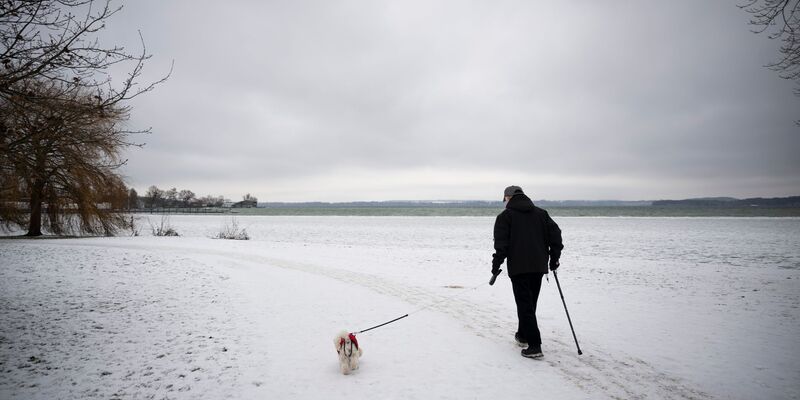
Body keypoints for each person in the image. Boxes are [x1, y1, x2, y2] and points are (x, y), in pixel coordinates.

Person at [491, 185, 563, 359]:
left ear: (508, 198)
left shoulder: (505, 217)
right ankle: (523, 335)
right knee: (529, 304)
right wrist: (554, 259)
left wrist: (496, 265)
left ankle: (534, 345)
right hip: (538, 266)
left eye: (505, 200)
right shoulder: (541, 214)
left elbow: (501, 246)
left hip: (519, 267)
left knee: (525, 305)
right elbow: (556, 238)